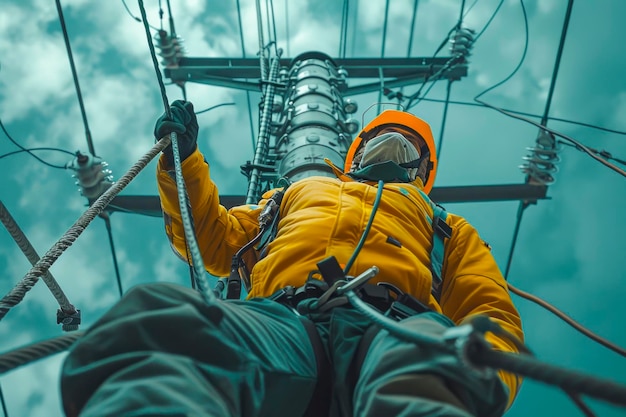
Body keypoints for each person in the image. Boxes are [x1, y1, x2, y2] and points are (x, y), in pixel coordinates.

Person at [60, 100, 524, 417]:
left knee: (428, 374)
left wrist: (483, 379)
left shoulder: (442, 222)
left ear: (421, 171)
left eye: (408, 144)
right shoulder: (293, 194)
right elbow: (212, 240)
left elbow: (490, 310)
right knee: (165, 328)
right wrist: (182, 162)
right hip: (286, 317)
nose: (394, 144)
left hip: (399, 322)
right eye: (383, 135)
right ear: (355, 151)